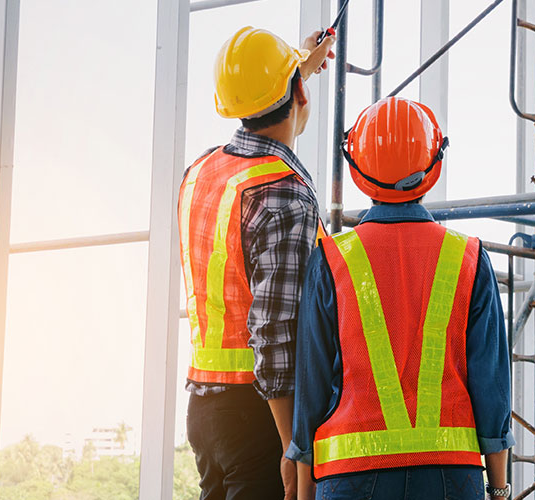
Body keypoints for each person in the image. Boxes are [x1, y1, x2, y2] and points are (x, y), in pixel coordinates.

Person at [288, 96, 515, 500]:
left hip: (351, 476)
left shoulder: (332, 260)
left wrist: (304, 485)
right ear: (433, 165)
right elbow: (491, 387)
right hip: (450, 478)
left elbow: (312, 385)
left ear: (358, 171)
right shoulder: (468, 258)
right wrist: (499, 489)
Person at [178, 26, 335, 500]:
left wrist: (298, 66)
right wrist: (293, 448)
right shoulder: (284, 193)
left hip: (205, 408)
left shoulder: (203, 170)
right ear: (301, 92)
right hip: (261, 415)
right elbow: (275, 330)